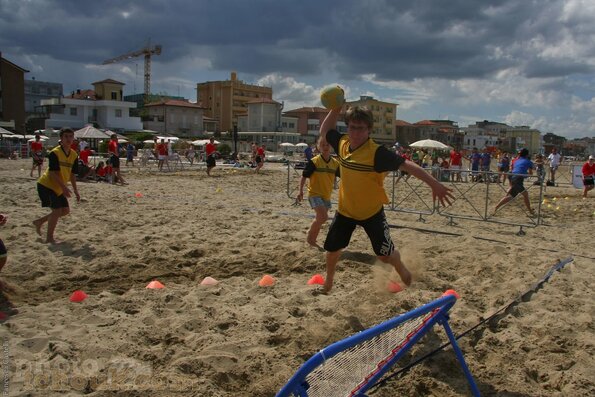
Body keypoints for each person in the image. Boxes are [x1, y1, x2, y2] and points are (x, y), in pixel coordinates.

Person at [319, 101, 454, 293]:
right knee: (332, 250)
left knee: (385, 255)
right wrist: (335, 108)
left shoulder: (377, 153)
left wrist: (435, 184)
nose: (356, 133)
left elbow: (408, 165)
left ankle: (400, 268)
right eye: (352, 127)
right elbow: (325, 130)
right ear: (347, 127)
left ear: (369, 129)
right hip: (346, 211)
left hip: (372, 213)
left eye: (361, 128)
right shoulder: (342, 143)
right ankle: (329, 281)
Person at [32, 128, 81, 244]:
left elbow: (73, 174)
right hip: (46, 185)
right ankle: (49, 238)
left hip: (58, 187)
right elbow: (53, 173)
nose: (69, 139)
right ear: (61, 139)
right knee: (57, 210)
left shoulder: (74, 155)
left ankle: (39, 222)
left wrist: (76, 190)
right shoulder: (55, 153)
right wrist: (64, 188)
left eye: (71, 136)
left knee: (65, 210)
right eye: (66, 137)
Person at [297, 137, 340, 247]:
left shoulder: (335, 163)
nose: (325, 147)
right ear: (318, 147)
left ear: (331, 147)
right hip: (314, 194)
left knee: (320, 219)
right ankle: (310, 237)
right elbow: (304, 176)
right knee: (323, 217)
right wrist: (300, 191)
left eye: (328, 145)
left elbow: (344, 177)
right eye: (323, 145)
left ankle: (312, 239)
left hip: (326, 195)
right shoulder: (315, 161)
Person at [494, 148, 535, 214]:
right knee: (522, 195)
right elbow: (531, 171)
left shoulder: (516, 160)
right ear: (527, 155)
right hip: (518, 178)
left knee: (512, 195)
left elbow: (517, 169)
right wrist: (529, 173)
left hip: (513, 176)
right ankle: (530, 210)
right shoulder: (528, 161)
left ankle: (497, 206)